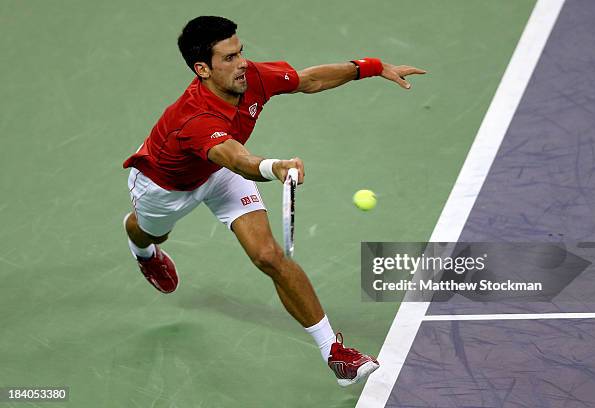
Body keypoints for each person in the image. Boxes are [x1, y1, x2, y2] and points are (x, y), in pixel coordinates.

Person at [123, 16, 426, 387]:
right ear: (202, 69)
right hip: (164, 188)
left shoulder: (251, 77)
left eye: (241, 53)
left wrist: (371, 67)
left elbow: (308, 79)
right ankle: (142, 251)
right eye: (229, 58)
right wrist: (274, 167)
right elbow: (237, 160)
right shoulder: (194, 118)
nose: (242, 64)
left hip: (218, 175)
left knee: (269, 256)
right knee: (149, 233)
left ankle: (333, 351)